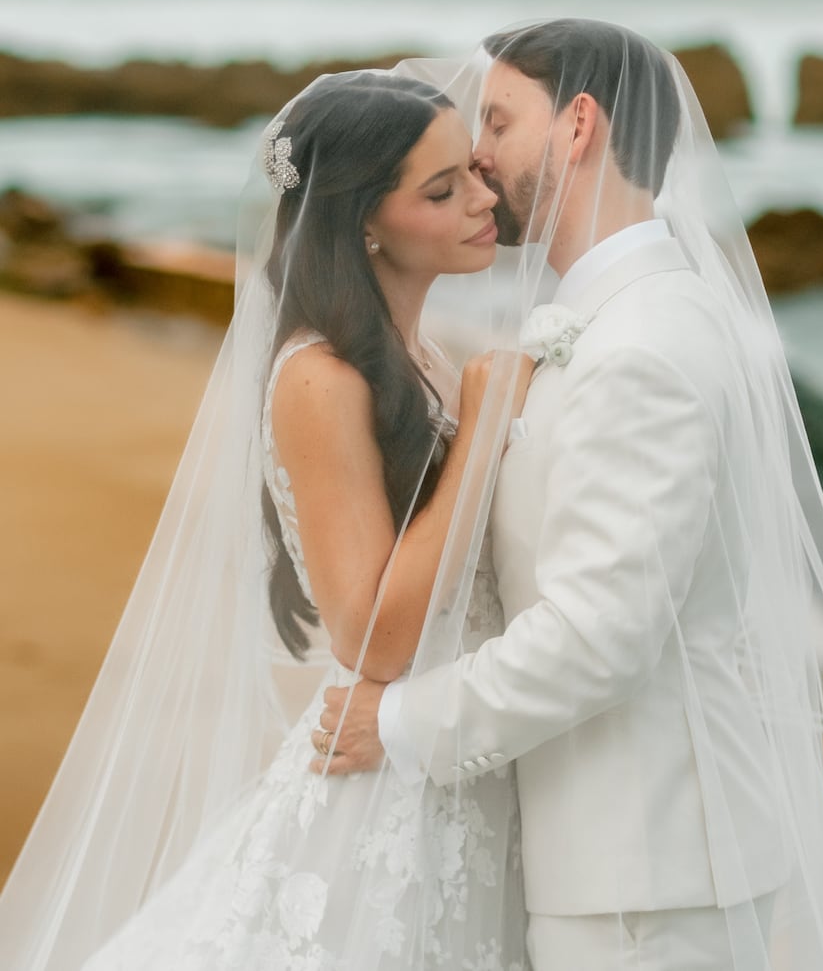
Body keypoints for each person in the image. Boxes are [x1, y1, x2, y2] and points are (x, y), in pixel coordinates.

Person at [314, 19, 823, 970]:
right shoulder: (604, 317)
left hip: (647, 878)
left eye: (497, 121)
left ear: (578, 125)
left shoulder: (645, 346)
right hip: (618, 860)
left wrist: (398, 724)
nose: (477, 156)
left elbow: (598, 634)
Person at [0, 71, 533, 969]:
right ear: (364, 222)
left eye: (475, 171)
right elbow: (370, 638)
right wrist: (482, 436)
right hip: (389, 797)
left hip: (458, 763)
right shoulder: (320, 380)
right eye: (442, 190)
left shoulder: (426, 357)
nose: (486, 198)